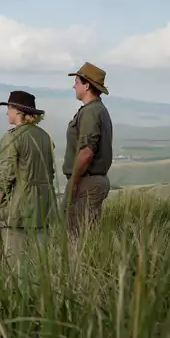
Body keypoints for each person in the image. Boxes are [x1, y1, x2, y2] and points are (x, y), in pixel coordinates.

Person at [0, 90, 57, 261]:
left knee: (16, 270)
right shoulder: (45, 137)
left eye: (10, 108)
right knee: (40, 269)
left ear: (19, 112)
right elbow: (50, 173)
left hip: (17, 216)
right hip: (43, 212)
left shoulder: (11, 138)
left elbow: (4, 178)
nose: (7, 112)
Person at [63, 62, 113, 237]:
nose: (73, 86)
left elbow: (87, 152)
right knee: (87, 238)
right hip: (91, 181)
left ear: (86, 85)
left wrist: (74, 183)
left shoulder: (91, 112)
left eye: (76, 82)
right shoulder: (98, 110)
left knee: (76, 240)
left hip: (85, 182)